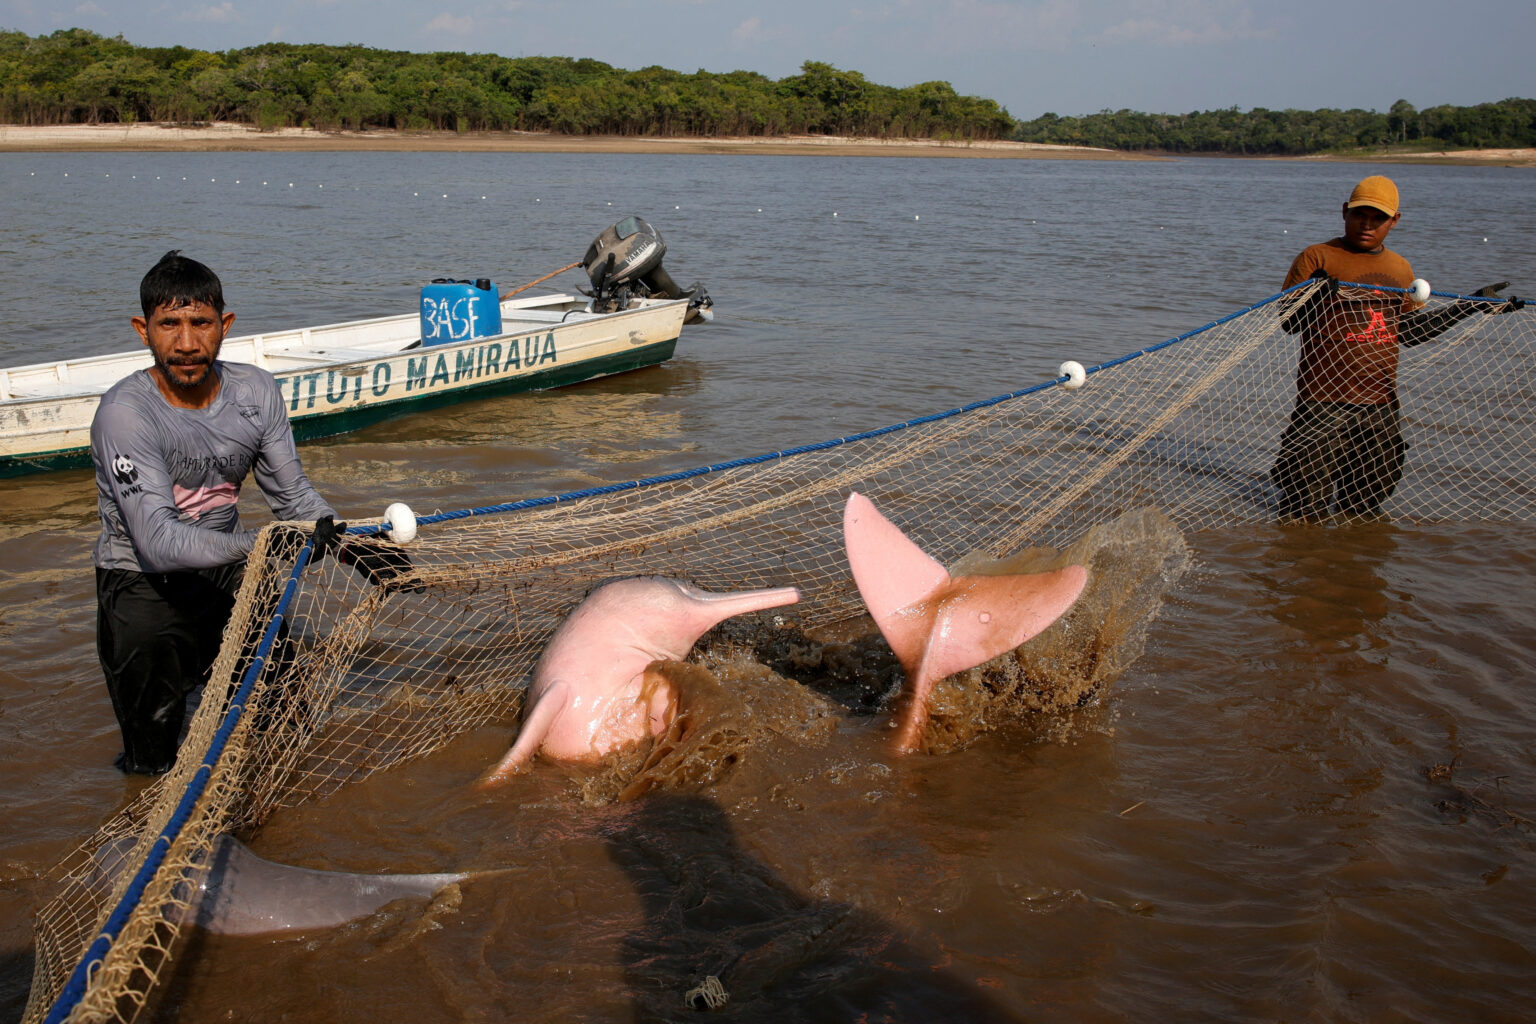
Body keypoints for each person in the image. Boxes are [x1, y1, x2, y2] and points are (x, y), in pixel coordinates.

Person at [91, 251, 401, 775]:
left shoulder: (255, 392)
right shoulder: (124, 413)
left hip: (233, 575)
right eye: (170, 325)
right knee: (152, 761)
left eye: (200, 324)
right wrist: (263, 544)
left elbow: (293, 496)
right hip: (141, 585)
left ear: (225, 325)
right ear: (143, 329)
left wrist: (353, 548)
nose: (186, 344)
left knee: (282, 718)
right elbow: (157, 540)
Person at [1271, 175, 1521, 522]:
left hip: (1380, 405)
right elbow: (1289, 323)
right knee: (1304, 507)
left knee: (1364, 508)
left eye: (1378, 218)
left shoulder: (1399, 268)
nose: (1367, 225)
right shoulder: (1317, 257)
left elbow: (1412, 332)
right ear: (1345, 212)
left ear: (1394, 221)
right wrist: (1315, 297)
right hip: (1322, 400)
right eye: (1360, 215)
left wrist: (1471, 304)